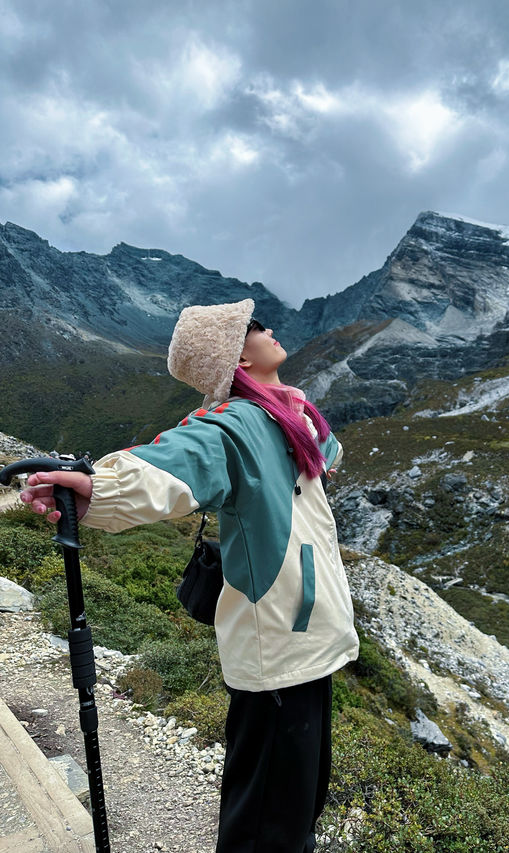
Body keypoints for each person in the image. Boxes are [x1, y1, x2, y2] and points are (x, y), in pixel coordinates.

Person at [20, 298, 360, 853]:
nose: (269, 329)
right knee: (267, 826)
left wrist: (298, 410)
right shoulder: (236, 423)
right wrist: (98, 488)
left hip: (310, 639)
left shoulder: (288, 416)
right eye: (253, 328)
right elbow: (173, 461)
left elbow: (330, 454)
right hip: (278, 646)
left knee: (296, 810)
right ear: (237, 361)